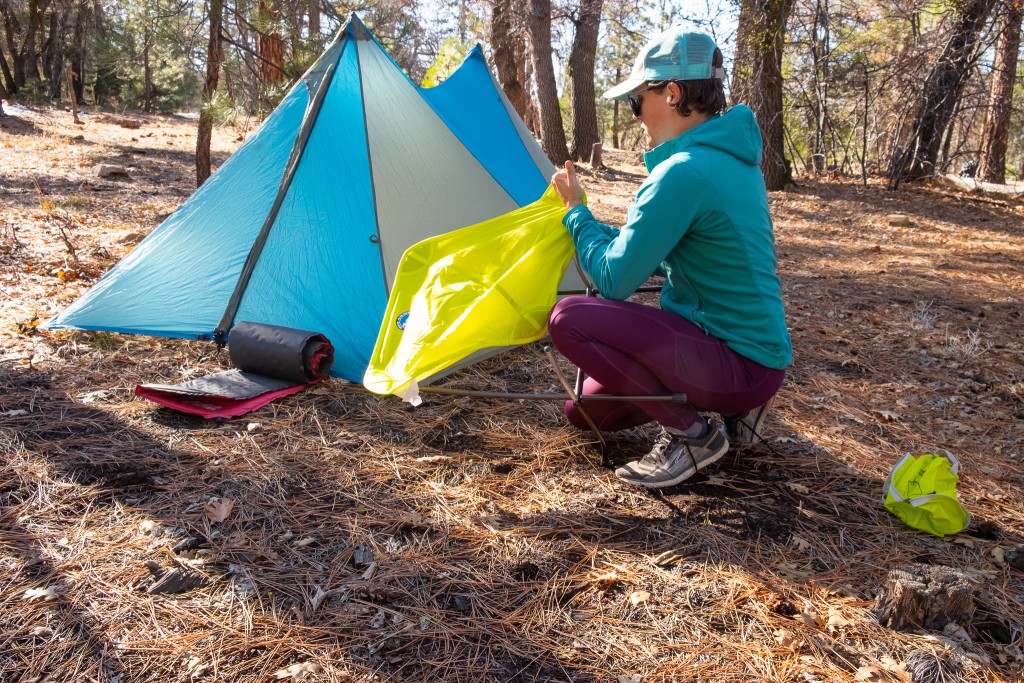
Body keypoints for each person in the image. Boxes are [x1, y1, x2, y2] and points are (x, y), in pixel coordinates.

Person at [548, 27, 792, 488]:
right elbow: (681, 255)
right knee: (584, 411)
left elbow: (614, 280)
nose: (636, 113)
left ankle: (693, 435)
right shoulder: (729, 159)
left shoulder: (685, 172)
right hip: (754, 359)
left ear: (673, 93)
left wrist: (576, 214)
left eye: (637, 100)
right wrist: (599, 228)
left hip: (733, 359)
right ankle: (738, 411)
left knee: (567, 319)